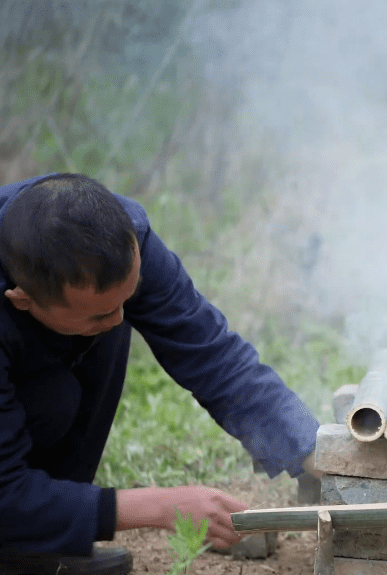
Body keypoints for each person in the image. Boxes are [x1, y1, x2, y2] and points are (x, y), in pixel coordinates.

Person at [0, 173, 322, 574]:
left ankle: (41, 549)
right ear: (22, 298)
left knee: (103, 334)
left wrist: (309, 449)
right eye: (100, 312)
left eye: (127, 300)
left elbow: (212, 356)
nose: (120, 319)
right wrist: (161, 506)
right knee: (55, 397)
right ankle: (21, 542)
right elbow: (3, 492)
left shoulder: (118, 236)